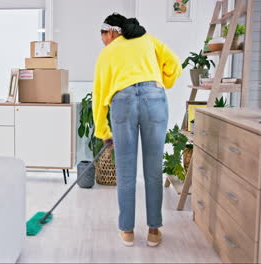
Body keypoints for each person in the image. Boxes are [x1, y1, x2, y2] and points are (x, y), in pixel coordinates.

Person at [92, 13, 182, 247]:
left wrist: (103, 131)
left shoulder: (107, 52)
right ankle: (153, 231)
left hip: (123, 102)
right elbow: (175, 65)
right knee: (153, 168)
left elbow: (99, 96)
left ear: (111, 32)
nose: (102, 40)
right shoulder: (149, 40)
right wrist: (159, 81)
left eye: (102, 35)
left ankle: (127, 231)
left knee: (125, 171)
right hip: (154, 99)